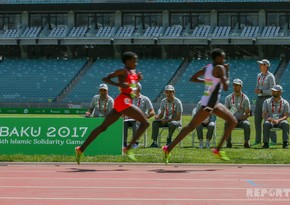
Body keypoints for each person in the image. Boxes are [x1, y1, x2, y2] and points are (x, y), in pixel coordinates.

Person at [162, 48, 237, 163]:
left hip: (212, 102)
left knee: (232, 121)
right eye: (222, 57)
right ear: (217, 58)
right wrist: (227, 71)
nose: (224, 59)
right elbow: (226, 87)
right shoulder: (220, 68)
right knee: (191, 126)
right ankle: (168, 148)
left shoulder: (208, 68)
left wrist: (207, 81)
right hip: (209, 104)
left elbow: (193, 78)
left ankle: (217, 149)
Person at [75, 52, 149, 164]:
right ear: (127, 61)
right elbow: (105, 79)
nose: (136, 63)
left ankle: (80, 149)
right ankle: (128, 148)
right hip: (123, 101)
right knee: (145, 123)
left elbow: (131, 87)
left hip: (126, 101)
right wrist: (119, 85)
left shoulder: (133, 72)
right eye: (134, 61)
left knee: (103, 127)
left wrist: (137, 79)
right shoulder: (122, 71)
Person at [123, 83, 155, 147]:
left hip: (140, 120)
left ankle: (135, 142)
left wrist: (145, 118)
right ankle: (124, 143)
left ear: (139, 89)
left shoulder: (145, 99)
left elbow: (152, 112)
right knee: (124, 123)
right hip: (129, 119)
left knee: (135, 122)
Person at [254, 59, 276, 145]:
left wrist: (262, 91)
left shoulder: (271, 76)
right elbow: (257, 86)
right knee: (257, 120)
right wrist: (257, 90)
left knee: (268, 120)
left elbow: (273, 90)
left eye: (261, 64)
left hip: (268, 99)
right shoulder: (259, 75)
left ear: (266, 66)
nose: (259, 66)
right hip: (259, 99)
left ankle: (273, 140)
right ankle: (257, 140)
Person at [224, 79, 251, 148]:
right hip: (231, 119)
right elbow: (225, 112)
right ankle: (228, 142)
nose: (235, 87)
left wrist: (241, 118)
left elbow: (248, 114)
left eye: (237, 85)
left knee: (247, 124)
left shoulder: (245, 98)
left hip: (241, 120)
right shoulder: (228, 98)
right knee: (226, 123)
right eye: (234, 85)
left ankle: (246, 142)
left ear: (241, 87)